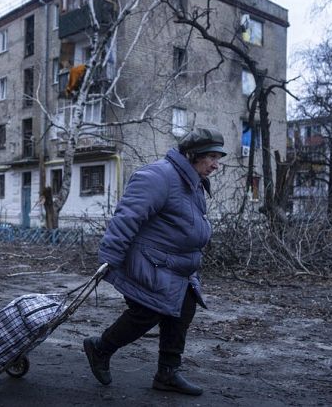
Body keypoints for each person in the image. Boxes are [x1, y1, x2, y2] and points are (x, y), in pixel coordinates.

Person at [83, 127, 226, 396]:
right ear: (193, 154)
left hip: (175, 266)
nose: (216, 165)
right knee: (148, 312)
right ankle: (99, 348)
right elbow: (127, 217)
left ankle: (167, 373)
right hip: (149, 262)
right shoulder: (159, 176)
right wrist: (110, 258)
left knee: (183, 308)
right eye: (212, 158)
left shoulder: (191, 180)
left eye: (218, 158)